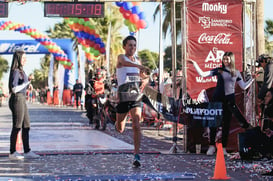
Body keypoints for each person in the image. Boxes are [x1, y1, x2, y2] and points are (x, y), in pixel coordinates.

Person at [188, 51, 254, 155]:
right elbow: (203, 74)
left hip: (229, 100)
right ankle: (211, 146)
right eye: (224, 59)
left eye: (227, 59)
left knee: (226, 124)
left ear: (231, 60)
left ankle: (223, 148)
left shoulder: (236, 72)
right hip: (216, 99)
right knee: (213, 123)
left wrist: (252, 79)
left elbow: (244, 86)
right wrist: (194, 64)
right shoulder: (219, 70)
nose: (225, 61)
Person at [115, 35, 149, 167]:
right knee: (120, 128)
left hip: (135, 96)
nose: (132, 48)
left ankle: (136, 155)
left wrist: (145, 79)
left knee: (136, 123)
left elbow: (144, 76)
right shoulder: (121, 58)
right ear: (124, 46)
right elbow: (125, 63)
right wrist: (140, 67)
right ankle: (119, 121)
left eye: (134, 45)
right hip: (123, 96)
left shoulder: (137, 61)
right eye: (130, 45)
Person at [8, 49, 40, 160]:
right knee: (17, 126)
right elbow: (14, 88)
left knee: (26, 125)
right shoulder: (16, 71)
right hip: (17, 99)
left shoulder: (21, 71)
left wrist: (28, 85)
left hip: (22, 99)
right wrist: (27, 83)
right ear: (18, 59)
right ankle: (12, 152)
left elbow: (21, 86)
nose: (25, 60)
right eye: (23, 58)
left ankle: (27, 150)